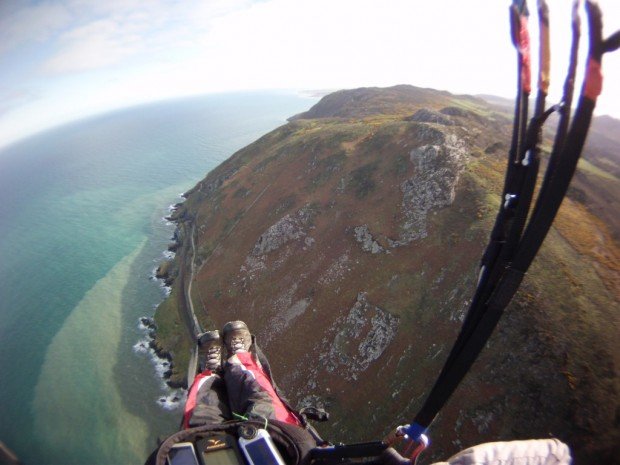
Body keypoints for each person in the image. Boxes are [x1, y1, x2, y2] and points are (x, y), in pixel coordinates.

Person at [183, 320, 301, 429]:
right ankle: (239, 360)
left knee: (202, 413)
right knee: (263, 401)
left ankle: (211, 373)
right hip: (283, 440)